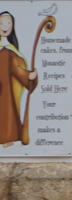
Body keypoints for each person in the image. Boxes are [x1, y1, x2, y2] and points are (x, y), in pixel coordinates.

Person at [0, 12, 39, 147]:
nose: (5, 26)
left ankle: (6, 138)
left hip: (5, 90)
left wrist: (28, 76)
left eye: (8, 23)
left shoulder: (9, 50)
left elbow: (15, 68)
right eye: (1, 23)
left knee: (6, 111)